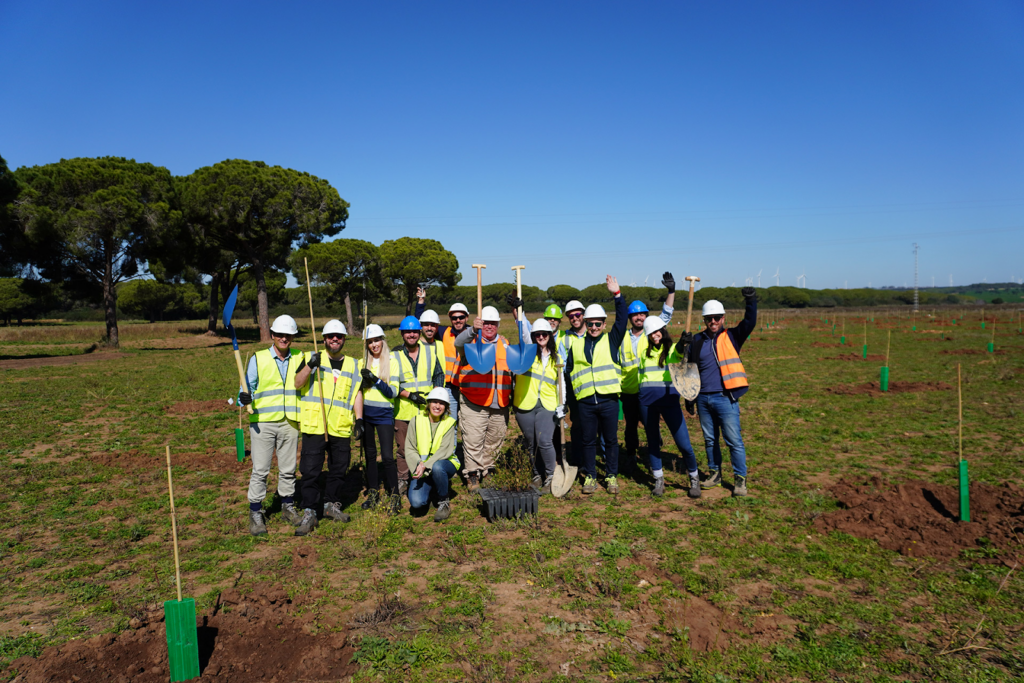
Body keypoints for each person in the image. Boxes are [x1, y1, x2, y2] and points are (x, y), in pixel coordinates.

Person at [291, 320, 362, 535]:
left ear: (343, 340)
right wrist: (310, 365)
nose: (334, 339)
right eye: (330, 336)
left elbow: (357, 392)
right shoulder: (309, 358)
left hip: (340, 425)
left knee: (339, 469)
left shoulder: (353, 364)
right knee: (310, 471)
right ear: (324, 339)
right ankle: (310, 511)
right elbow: (297, 383)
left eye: (338, 336)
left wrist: (359, 419)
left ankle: (331, 504)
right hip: (315, 425)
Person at [684, 288, 757, 497]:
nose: (713, 321)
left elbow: (750, 322)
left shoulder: (732, 336)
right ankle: (714, 473)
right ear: (705, 320)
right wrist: (690, 397)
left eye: (717, 318)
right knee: (710, 440)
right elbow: (689, 366)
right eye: (709, 318)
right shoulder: (697, 340)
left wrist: (750, 301)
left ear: (723, 318)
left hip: (726, 397)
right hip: (703, 398)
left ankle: (740, 480)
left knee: (733, 440)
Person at [238, 315, 302, 535]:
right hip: (263, 423)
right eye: (280, 335)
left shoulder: (299, 357)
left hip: (290, 422)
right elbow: (245, 389)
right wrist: (243, 398)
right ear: (273, 336)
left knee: (288, 470)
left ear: (292, 337)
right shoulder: (258, 358)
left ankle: (287, 506)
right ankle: (256, 512)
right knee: (260, 470)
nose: (284, 338)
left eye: (288, 335)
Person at [564, 276, 628, 494]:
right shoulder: (576, 345)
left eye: (597, 323)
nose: (593, 327)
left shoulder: (611, 340)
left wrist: (617, 295)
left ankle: (611, 476)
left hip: (609, 400)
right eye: (589, 323)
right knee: (588, 441)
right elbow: (571, 372)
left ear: (604, 324)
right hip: (586, 403)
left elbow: (622, 320)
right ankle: (590, 476)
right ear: (585, 323)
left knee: (610, 441)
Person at [619, 273, 676, 474]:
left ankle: (653, 455)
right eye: (635, 315)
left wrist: (671, 291)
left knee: (650, 425)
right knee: (630, 426)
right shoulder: (621, 337)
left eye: (643, 314)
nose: (639, 317)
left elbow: (666, 314)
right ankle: (631, 455)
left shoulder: (653, 333)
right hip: (628, 390)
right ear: (629, 318)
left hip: (649, 390)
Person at [638, 316, 700, 498]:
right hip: (647, 403)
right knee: (653, 442)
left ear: (663, 331)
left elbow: (679, 352)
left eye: (657, 332)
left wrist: (683, 342)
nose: (654, 336)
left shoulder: (673, 350)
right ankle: (658, 479)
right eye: (650, 334)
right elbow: (641, 378)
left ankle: (694, 478)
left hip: (669, 402)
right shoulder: (644, 353)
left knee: (684, 444)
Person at [454, 305, 512, 493]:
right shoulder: (470, 344)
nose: (489, 326)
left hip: (500, 402)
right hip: (474, 401)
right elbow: (457, 343)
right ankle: (472, 475)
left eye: (493, 323)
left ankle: (488, 471)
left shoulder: (505, 344)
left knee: (494, 440)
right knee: (473, 440)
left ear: (498, 325)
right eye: (486, 323)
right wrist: (472, 330)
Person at [391, 316, 445, 497]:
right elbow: (391, 384)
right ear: (402, 334)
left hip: (425, 411)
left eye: (415, 331)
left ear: (419, 332)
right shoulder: (394, 355)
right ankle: (403, 480)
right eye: (408, 332)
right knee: (403, 448)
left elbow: (438, 374)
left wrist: (435, 398)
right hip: (404, 410)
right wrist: (410, 396)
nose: (412, 335)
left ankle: (428, 476)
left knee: (428, 446)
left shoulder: (430, 351)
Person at [512, 318, 564, 493]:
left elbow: (560, 383)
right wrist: (518, 312)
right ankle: (536, 475)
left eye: (544, 334)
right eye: (537, 334)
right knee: (531, 441)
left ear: (549, 335)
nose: (541, 337)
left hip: (548, 404)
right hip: (525, 402)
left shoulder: (557, 358)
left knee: (544, 440)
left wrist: (562, 405)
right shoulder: (526, 353)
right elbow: (523, 331)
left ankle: (550, 476)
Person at [358, 323, 401, 510]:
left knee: (388, 457)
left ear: (383, 341)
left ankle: (395, 496)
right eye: (370, 342)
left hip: (384, 414)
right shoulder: (362, 362)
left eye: (377, 340)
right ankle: (374, 492)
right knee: (370, 455)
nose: (374, 345)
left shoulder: (392, 361)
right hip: (367, 414)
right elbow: (357, 391)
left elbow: (393, 393)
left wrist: (375, 379)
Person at [415, 287, 470, 420]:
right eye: (454, 317)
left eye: (461, 317)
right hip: (449, 388)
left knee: (469, 422)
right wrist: (421, 302)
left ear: (467, 318)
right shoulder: (444, 332)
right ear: (450, 318)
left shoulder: (474, 334)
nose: (458, 320)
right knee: (450, 421)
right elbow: (422, 325)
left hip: (469, 386)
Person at [405, 387, 460, 522]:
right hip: (422, 468)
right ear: (428, 404)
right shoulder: (416, 421)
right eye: (434, 402)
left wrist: (425, 465)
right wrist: (419, 464)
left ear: (446, 407)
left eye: (441, 403)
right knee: (417, 503)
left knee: (437, 467)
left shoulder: (449, 423)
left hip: (445, 464)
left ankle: (443, 502)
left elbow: (444, 451)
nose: (437, 406)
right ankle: (433, 487)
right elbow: (410, 448)